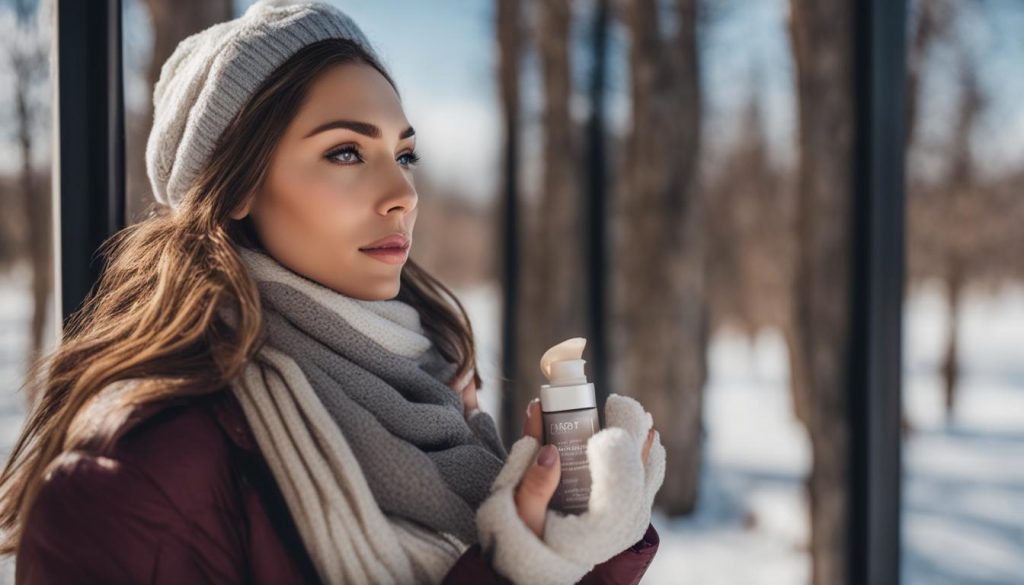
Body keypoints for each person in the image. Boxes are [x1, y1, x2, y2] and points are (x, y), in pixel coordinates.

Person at [0, 1, 664, 583]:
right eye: (346, 152)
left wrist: (577, 545)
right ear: (234, 187)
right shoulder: (137, 474)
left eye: (405, 155)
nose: (403, 194)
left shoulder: (436, 401)